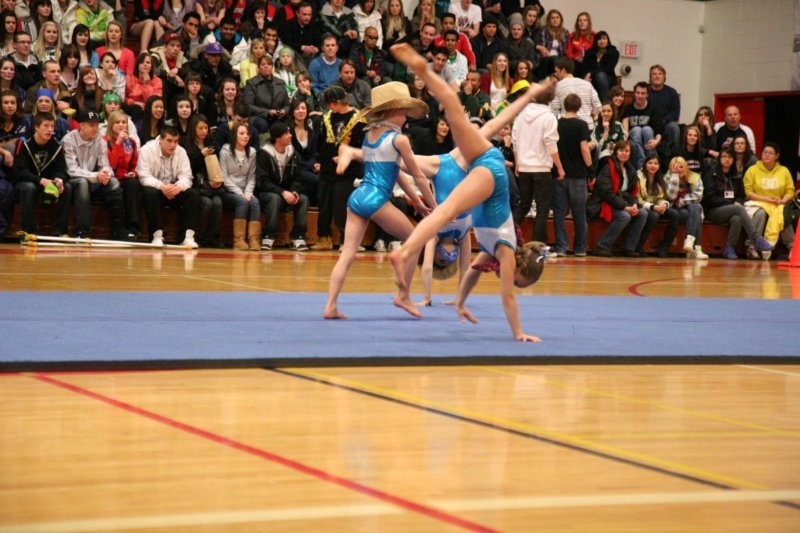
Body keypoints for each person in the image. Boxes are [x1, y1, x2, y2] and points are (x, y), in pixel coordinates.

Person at [388, 43, 548, 341]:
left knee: (455, 112)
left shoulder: (492, 251)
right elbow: (508, 297)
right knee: (447, 210)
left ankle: (423, 69)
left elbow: (473, 271)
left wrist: (460, 302)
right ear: (521, 266)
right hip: (492, 175)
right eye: (517, 280)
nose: (510, 282)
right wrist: (519, 333)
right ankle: (406, 252)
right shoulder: (507, 252)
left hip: (483, 165)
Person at [324, 79, 434, 319]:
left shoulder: (369, 134)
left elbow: (397, 173)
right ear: (395, 111)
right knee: (415, 240)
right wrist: (435, 207)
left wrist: (417, 201)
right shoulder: (399, 139)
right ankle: (403, 295)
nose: (406, 117)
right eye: (404, 113)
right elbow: (418, 176)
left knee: (347, 254)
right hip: (376, 199)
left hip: (358, 197)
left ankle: (330, 306)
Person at [310, 85, 365, 251]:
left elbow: (361, 147)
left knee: (342, 205)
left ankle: (347, 241)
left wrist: (346, 157)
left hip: (348, 170)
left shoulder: (358, 119)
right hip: (327, 168)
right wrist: (319, 160)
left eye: (330, 104)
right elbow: (321, 142)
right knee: (324, 203)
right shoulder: (327, 118)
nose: (328, 107)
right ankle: (323, 238)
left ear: (339, 102)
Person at [62, 109, 126, 239]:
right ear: (82, 125)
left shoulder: (100, 141)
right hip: (72, 181)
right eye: (91, 125)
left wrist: (106, 173)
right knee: (82, 182)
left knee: (114, 182)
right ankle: (82, 230)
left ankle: (118, 230)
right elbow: (71, 170)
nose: (95, 128)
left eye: (97, 125)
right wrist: (96, 176)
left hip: (94, 179)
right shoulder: (69, 140)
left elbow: (105, 164)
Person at [136, 124, 201, 247]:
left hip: (173, 190)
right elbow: (143, 176)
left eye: (176, 141)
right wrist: (162, 186)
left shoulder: (181, 151)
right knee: (149, 193)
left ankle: (187, 237)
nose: (173, 145)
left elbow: (187, 176)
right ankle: (156, 236)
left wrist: (178, 187)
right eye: (169, 141)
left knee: (193, 194)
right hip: (157, 190)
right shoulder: (146, 150)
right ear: (161, 140)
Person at [702, 148, 773, 260]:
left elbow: (741, 195)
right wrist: (731, 203)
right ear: (719, 159)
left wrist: (738, 202)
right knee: (738, 209)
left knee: (737, 218)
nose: (727, 159)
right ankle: (756, 239)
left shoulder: (736, 176)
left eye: (730, 157)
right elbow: (710, 198)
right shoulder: (711, 175)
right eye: (724, 157)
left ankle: (729, 248)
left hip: (732, 210)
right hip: (714, 210)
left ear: (733, 160)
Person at [511, 81, 560, 242]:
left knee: (524, 205)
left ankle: (505, 236)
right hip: (541, 168)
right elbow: (550, 143)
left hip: (524, 167)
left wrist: (518, 163)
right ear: (551, 98)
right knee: (542, 208)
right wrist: (560, 167)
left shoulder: (521, 115)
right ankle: (538, 245)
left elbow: (515, 140)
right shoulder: (549, 117)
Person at [13, 112, 72, 237]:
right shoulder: (23, 143)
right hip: (26, 182)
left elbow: (61, 169)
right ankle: (29, 230)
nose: (50, 129)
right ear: (36, 127)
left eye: (52, 126)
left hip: (47, 183)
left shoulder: (57, 145)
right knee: (29, 187)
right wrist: (40, 180)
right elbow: (19, 172)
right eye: (46, 126)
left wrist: (58, 179)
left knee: (66, 187)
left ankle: (60, 230)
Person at [586, 140, 648, 257]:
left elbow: (632, 192)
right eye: (621, 150)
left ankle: (628, 248)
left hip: (622, 203)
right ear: (616, 152)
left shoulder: (630, 170)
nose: (624, 153)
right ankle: (602, 246)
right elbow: (606, 193)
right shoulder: (608, 167)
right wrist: (624, 207)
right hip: (604, 203)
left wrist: (634, 204)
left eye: (627, 151)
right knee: (624, 216)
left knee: (642, 213)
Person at [256, 121, 310, 251]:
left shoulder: (293, 153)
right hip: (267, 193)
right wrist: (282, 192)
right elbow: (262, 182)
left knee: (303, 199)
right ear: (277, 138)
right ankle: (268, 236)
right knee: (274, 198)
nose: (291, 135)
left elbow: (298, 177)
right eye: (286, 133)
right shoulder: (264, 154)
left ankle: (298, 237)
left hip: (287, 192)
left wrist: (294, 191)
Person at [552, 93, 592, 257]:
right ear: (579, 107)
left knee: (559, 213)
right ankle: (580, 248)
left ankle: (561, 247)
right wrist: (590, 167)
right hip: (578, 175)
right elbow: (584, 148)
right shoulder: (581, 125)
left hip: (559, 173)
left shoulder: (556, 124)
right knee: (579, 213)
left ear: (564, 106)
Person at [744, 142, 796, 260]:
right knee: (760, 213)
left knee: (783, 213)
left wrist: (782, 201)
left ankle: (792, 247)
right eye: (765, 152)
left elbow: (790, 191)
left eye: (770, 153)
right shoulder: (752, 170)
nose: (767, 155)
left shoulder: (784, 171)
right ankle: (751, 247)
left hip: (778, 204)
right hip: (757, 202)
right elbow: (748, 192)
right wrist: (765, 199)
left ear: (776, 156)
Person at [182, 114, 223, 247]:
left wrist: (216, 180)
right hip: (194, 184)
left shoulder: (211, 144)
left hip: (209, 185)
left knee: (217, 203)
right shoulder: (186, 144)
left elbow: (215, 166)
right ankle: (195, 235)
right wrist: (201, 155)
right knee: (206, 203)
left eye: (206, 128)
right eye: (200, 128)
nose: (204, 131)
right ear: (193, 128)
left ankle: (211, 237)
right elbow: (187, 167)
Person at [219, 121, 260, 250]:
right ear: (234, 135)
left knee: (255, 202)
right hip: (228, 191)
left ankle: (253, 239)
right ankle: (239, 240)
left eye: (247, 134)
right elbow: (224, 177)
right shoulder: (225, 151)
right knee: (242, 202)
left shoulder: (252, 152)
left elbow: (252, 176)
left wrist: (248, 192)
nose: (245, 136)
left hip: (245, 190)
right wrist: (240, 193)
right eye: (241, 133)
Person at [105, 108, 141, 240]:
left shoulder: (131, 142)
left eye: (124, 122)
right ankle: (118, 230)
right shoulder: (105, 141)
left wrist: (133, 173)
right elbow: (110, 165)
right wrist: (118, 142)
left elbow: (135, 165)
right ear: (111, 125)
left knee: (133, 184)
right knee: (118, 185)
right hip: (109, 178)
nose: (121, 125)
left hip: (125, 178)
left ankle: (133, 228)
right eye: (117, 122)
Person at [664, 156, 708, 259]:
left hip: (690, 209)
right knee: (695, 214)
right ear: (671, 168)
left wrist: (681, 201)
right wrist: (675, 177)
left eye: (681, 167)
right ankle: (696, 248)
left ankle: (690, 240)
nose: (679, 170)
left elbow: (698, 196)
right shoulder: (667, 177)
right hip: (674, 210)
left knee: (695, 208)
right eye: (675, 167)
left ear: (685, 167)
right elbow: (671, 197)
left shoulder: (694, 177)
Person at [636, 154, 678, 257]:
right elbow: (638, 199)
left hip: (656, 206)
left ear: (659, 166)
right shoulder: (638, 177)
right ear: (645, 164)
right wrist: (652, 207)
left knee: (675, 214)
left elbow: (662, 197)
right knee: (653, 216)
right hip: (643, 206)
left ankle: (664, 247)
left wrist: (664, 205)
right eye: (650, 163)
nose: (653, 166)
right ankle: (639, 246)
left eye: (655, 163)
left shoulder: (660, 178)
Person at [621, 81, 665, 171]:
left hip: (648, 138)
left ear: (647, 95)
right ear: (634, 93)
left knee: (646, 129)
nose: (640, 96)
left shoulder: (654, 108)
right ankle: (642, 165)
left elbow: (659, 129)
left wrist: (656, 141)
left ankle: (652, 160)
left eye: (643, 93)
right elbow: (625, 130)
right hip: (633, 138)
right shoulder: (628, 108)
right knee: (636, 129)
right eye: (638, 93)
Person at [242, 55, 290, 134]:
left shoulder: (281, 83)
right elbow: (248, 106)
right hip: (258, 117)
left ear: (272, 67)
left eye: (269, 64)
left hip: (277, 117)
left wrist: (284, 111)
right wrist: (267, 112)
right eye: (263, 64)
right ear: (258, 67)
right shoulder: (251, 83)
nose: (266, 66)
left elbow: (287, 105)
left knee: (285, 122)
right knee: (262, 123)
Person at [550, 57, 600, 132]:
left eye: (556, 71)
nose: (555, 74)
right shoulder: (587, 84)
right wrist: (590, 115)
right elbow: (598, 105)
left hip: (567, 127)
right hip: (587, 126)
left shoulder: (557, 86)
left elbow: (554, 109)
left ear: (563, 70)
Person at [289, 99, 321, 205]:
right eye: (297, 109)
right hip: (296, 167)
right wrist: (311, 165)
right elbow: (292, 156)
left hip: (309, 166)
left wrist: (316, 163)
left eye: (303, 108)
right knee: (316, 180)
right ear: (292, 112)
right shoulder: (289, 132)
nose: (301, 111)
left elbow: (314, 152)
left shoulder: (311, 131)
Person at [647, 64, 680, 156]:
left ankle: (672, 156)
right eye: (654, 74)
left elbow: (675, 112)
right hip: (649, 123)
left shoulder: (672, 92)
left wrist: (663, 121)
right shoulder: (645, 91)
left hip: (666, 124)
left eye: (660, 74)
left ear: (664, 77)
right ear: (650, 77)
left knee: (674, 127)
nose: (657, 76)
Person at [125, 52, 163, 122]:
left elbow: (153, 101)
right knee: (137, 109)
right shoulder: (129, 78)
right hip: (132, 107)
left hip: (149, 108)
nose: (145, 64)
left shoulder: (157, 81)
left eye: (148, 62)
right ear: (137, 65)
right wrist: (134, 102)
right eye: (142, 62)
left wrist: (146, 84)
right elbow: (124, 97)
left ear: (151, 66)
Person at [582, 30, 618, 103]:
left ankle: (606, 103)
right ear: (596, 41)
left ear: (608, 40)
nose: (602, 41)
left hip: (607, 78)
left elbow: (608, 68)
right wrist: (585, 77)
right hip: (591, 79)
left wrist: (591, 73)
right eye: (599, 39)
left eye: (604, 39)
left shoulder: (613, 52)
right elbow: (585, 67)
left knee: (600, 75)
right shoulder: (589, 53)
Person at [591, 101, 625, 166]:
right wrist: (606, 130)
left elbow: (623, 143)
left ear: (613, 112)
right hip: (603, 156)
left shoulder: (618, 125)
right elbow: (599, 149)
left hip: (617, 153)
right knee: (609, 160)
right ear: (600, 113)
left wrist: (615, 147)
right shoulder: (596, 126)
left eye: (609, 111)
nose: (606, 113)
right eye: (603, 111)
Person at [566, 11, 593, 78]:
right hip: (576, 63)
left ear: (588, 23)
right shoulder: (571, 36)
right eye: (580, 20)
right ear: (577, 23)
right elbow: (569, 53)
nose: (582, 22)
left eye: (585, 20)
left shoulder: (594, 36)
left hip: (590, 63)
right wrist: (575, 58)